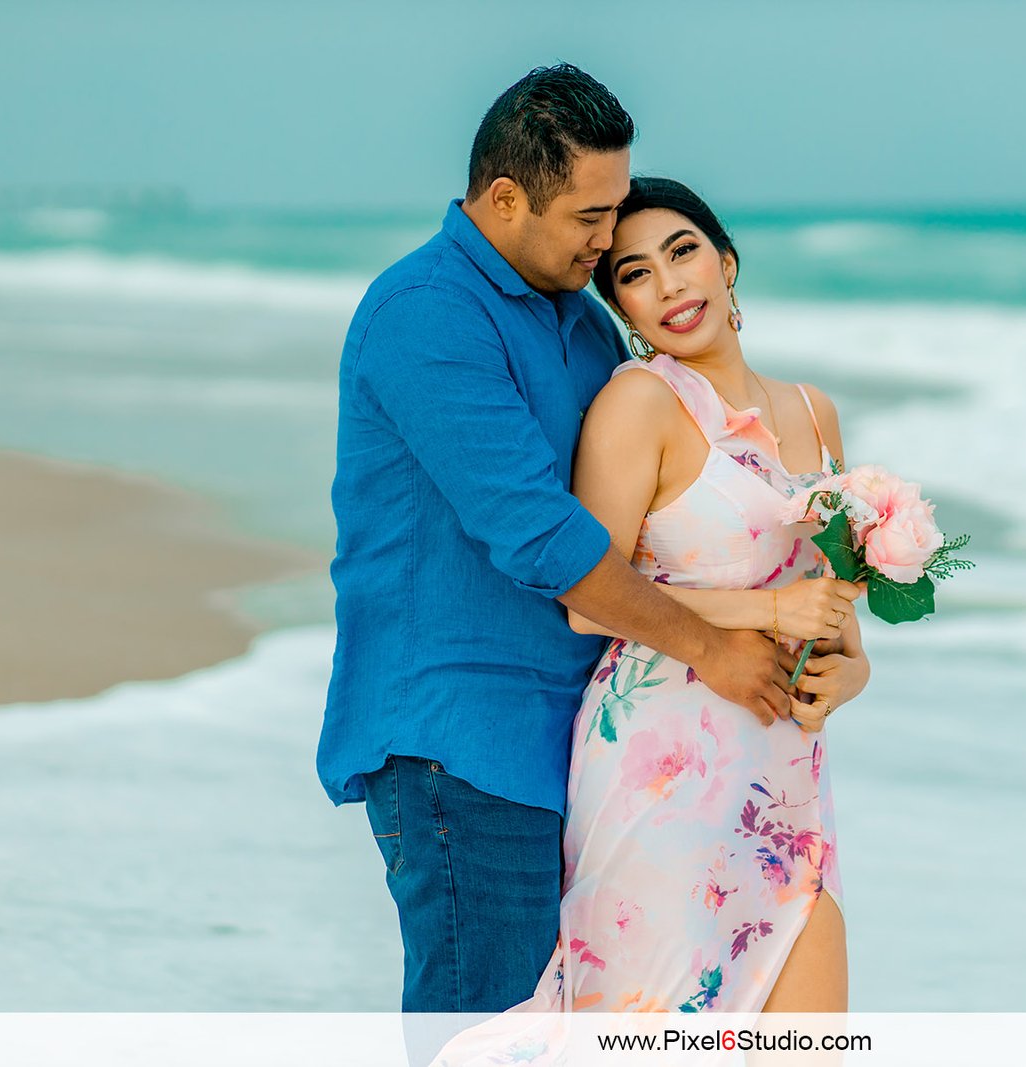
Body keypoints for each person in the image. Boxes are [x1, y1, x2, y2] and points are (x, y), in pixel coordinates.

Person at [317, 65, 799, 1033]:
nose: (607, 238)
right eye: (590, 215)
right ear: (505, 198)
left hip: (579, 745)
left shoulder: (581, 317)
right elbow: (542, 538)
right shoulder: (426, 313)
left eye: (615, 209)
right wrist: (715, 646)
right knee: (485, 1038)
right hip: (460, 739)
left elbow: (657, 521)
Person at [432, 176, 870, 1060]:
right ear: (622, 306)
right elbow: (588, 599)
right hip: (664, 770)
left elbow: (836, 617)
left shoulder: (815, 413)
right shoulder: (639, 404)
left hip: (785, 775)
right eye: (634, 273)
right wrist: (765, 608)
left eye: (682, 252)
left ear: (726, 262)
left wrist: (848, 673)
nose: (668, 285)